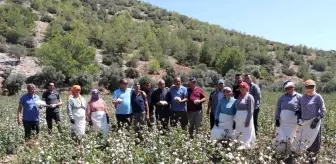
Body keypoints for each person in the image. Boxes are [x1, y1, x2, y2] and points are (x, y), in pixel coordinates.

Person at [292, 80, 326, 162]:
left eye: (311, 87)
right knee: (303, 140)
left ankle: (313, 159)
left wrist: (316, 120)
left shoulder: (318, 97)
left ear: (314, 87)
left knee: (314, 141)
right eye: (308, 87)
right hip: (304, 124)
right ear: (305, 88)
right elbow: (299, 108)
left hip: (314, 124)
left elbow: (323, 111)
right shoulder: (303, 98)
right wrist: (298, 116)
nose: (310, 88)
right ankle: (304, 158)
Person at [272, 80, 302, 154]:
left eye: (291, 87)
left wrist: (300, 116)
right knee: (281, 135)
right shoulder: (282, 97)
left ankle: (290, 151)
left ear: (293, 87)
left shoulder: (299, 97)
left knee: (291, 136)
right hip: (283, 122)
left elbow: (303, 108)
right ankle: (280, 150)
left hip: (293, 123)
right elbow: (278, 108)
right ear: (285, 89)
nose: (289, 89)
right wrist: (277, 119)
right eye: (287, 88)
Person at [234, 82, 256, 149]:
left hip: (246, 119)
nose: (242, 89)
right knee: (239, 132)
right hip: (239, 119)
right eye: (241, 87)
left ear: (247, 88)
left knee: (246, 133)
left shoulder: (250, 97)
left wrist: (247, 121)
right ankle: (239, 145)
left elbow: (251, 111)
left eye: (243, 87)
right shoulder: (240, 96)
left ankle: (247, 148)